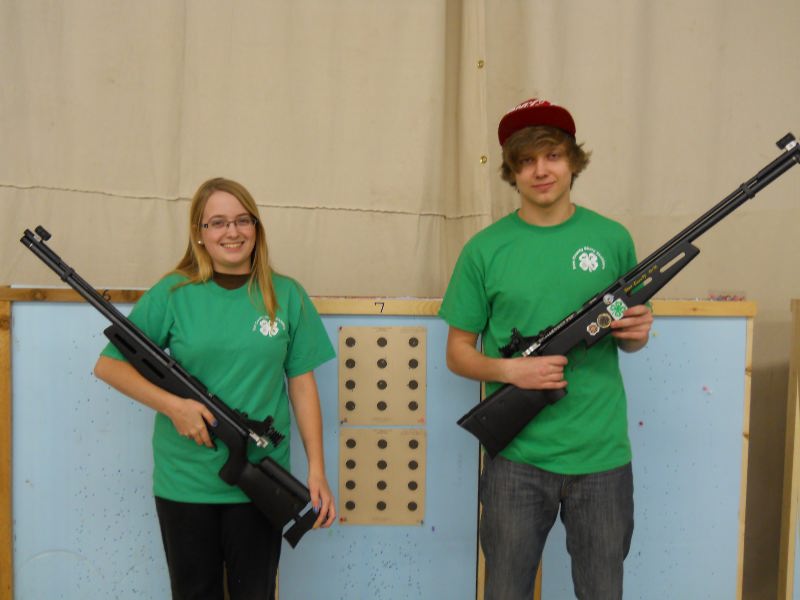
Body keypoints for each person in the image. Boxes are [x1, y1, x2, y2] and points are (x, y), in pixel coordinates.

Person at [439, 98, 653, 600]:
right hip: (516, 460)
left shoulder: (612, 239)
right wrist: (512, 372)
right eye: (527, 160)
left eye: (553, 156)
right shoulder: (484, 250)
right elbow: (457, 352)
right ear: (512, 171)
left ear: (572, 161)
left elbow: (631, 337)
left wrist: (639, 333)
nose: (541, 170)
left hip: (601, 456)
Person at [94, 177, 336, 599]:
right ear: (199, 234)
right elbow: (109, 365)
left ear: (256, 228)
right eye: (218, 222)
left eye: (243, 220)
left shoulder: (286, 295)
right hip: (184, 481)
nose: (232, 232)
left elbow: (301, 384)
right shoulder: (173, 293)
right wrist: (174, 407)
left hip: (262, 477)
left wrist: (317, 468)